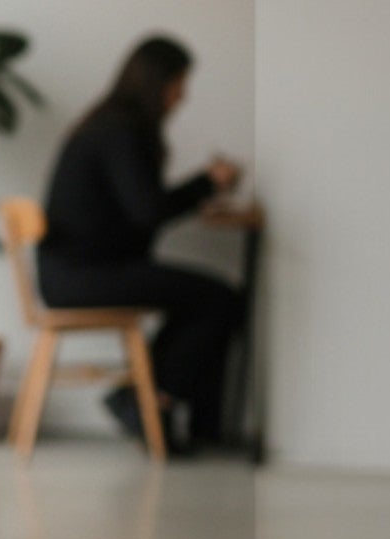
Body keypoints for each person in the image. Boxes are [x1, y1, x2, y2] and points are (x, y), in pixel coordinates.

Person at [37, 36, 247, 449]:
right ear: (159, 82)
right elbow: (148, 211)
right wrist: (208, 182)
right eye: (179, 84)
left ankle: (153, 401)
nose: (183, 96)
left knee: (207, 298)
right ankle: (151, 400)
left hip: (78, 271)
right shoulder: (120, 130)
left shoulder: (111, 123)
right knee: (219, 299)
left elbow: (141, 210)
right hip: (85, 276)